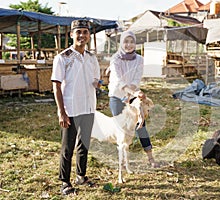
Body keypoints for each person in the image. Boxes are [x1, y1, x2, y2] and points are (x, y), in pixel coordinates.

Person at [51, 19, 100, 195]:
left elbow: (95, 80)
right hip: (70, 108)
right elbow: (56, 85)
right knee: (67, 147)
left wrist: (100, 83)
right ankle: (64, 181)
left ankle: (81, 176)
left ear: (89, 35)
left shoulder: (92, 58)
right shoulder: (63, 57)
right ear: (72, 34)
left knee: (84, 144)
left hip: (88, 107)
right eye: (78, 32)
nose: (82, 35)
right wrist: (61, 111)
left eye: (85, 32)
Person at [107, 30, 159, 168]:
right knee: (122, 128)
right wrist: (131, 93)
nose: (129, 44)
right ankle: (123, 160)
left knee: (140, 126)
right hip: (117, 96)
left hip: (132, 96)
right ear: (121, 43)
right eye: (126, 41)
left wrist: (133, 94)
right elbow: (118, 81)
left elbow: (136, 79)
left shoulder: (140, 60)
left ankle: (150, 158)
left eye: (132, 42)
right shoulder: (115, 59)